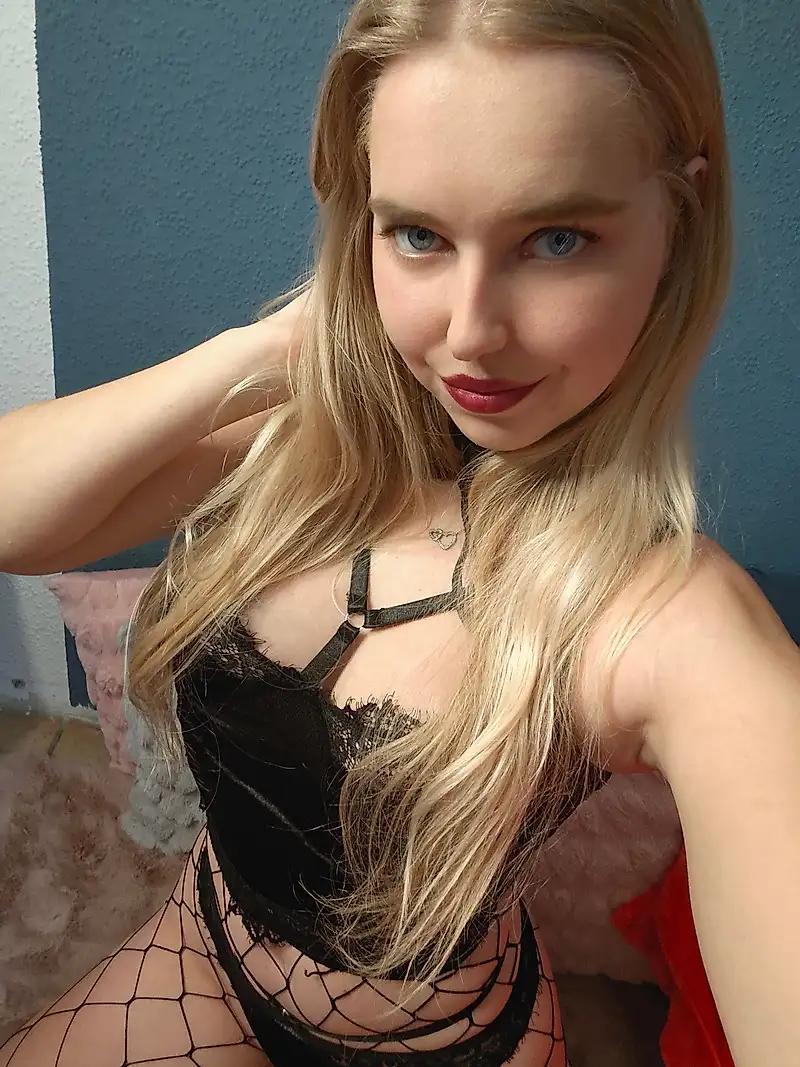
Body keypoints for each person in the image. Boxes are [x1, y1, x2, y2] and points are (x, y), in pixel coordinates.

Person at [1, 0, 798, 1064]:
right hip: (203, 950)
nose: (470, 331)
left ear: (676, 227)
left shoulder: (667, 614)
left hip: (441, 1038)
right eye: (417, 234)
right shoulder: (302, 439)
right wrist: (270, 348)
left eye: (556, 239)